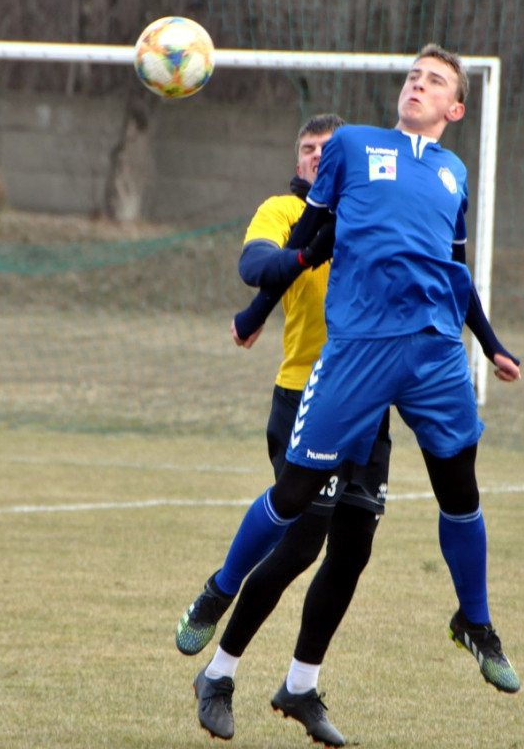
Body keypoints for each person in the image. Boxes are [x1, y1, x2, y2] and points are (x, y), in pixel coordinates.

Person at [178, 42, 523, 745]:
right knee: (296, 504)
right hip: (357, 354)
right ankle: (220, 590)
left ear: (455, 108)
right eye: (413, 76)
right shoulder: (355, 147)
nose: (418, 85)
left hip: (433, 353)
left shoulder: (454, 173)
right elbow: (313, 237)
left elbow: (455, 274)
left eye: (434, 82)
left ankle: (475, 621)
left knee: (456, 492)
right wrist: (254, 307)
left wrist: (489, 344)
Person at [178, 114, 391, 748]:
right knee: (300, 545)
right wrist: (290, 268)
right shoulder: (279, 209)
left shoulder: (375, 212)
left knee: (353, 548)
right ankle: (218, 674)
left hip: (372, 399)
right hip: (305, 393)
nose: (318, 158)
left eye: (329, 150)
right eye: (307, 150)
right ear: (298, 164)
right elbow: (259, 264)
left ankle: (300, 685)